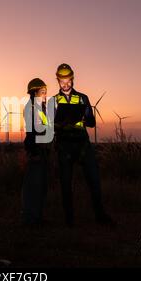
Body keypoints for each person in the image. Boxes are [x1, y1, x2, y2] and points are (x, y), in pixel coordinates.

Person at [51, 63, 115, 227]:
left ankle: (100, 215)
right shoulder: (53, 101)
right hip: (64, 145)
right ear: (58, 80)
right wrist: (60, 124)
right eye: (62, 81)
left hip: (82, 145)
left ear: (72, 79)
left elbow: (92, 122)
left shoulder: (83, 98)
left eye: (68, 80)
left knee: (94, 180)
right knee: (66, 184)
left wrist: (83, 119)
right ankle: (69, 220)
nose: (65, 84)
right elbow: (48, 125)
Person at [21, 78, 50, 226]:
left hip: (42, 150)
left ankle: (36, 217)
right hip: (36, 151)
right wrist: (35, 151)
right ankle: (30, 218)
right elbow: (32, 131)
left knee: (41, 186)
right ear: (35, 92)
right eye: (42, 91)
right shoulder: (32, 108)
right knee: (33, 185)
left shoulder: (39, 107)